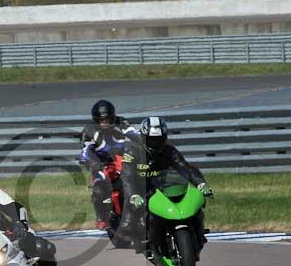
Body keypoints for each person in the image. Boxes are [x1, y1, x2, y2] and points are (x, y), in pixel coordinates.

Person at [118, 117, 213, 254]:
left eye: (158, 139)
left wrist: (201, 183)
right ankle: (139, 234)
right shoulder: (133, 152)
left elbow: (186, 168)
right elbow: (126, 176)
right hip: (140, 188)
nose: (155, 143)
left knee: (194, 201)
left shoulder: (169, 151)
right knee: (135, 207)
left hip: (163, 187)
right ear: (144, 138)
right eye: (151, 140)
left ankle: (197, 231)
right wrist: (133, 195)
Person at [79, 100, 139, 229]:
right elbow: (85, 151)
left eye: (107, 119)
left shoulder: (121, 122)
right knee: (99, 188)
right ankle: (101, 216)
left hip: (123, 161)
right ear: (96, 120)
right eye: (101, 120)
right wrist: (93, 163)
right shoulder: (89, 130)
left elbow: (135, 134)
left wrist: (145, 145)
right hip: (102, 164)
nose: (104, 123)